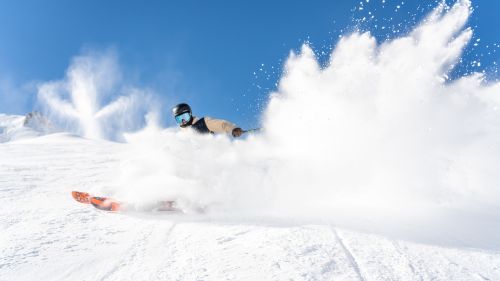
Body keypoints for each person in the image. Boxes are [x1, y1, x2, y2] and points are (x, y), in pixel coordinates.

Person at [172, 103, 244, 137]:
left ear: (190, 114)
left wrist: (233, 129)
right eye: (179, 119)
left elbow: (221, 124)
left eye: (185, 116)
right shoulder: (178, 135)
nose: (183, 121)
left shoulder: (203, 124)